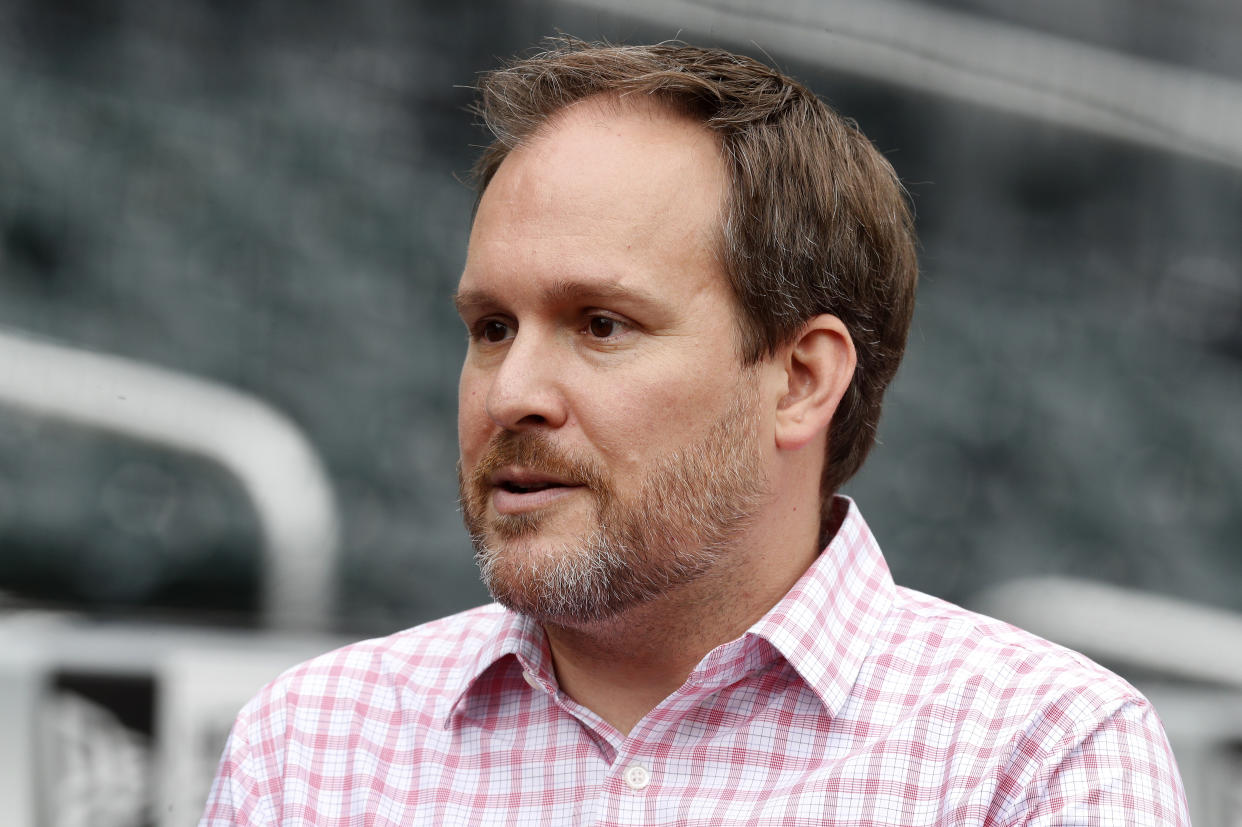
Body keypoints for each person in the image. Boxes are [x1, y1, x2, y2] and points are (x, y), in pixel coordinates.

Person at [201, 39, 1188, 825]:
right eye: (491, 327)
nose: (512, 391)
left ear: (801, 380)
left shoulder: (1038, 758)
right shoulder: (313, 746)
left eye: (601, 324)